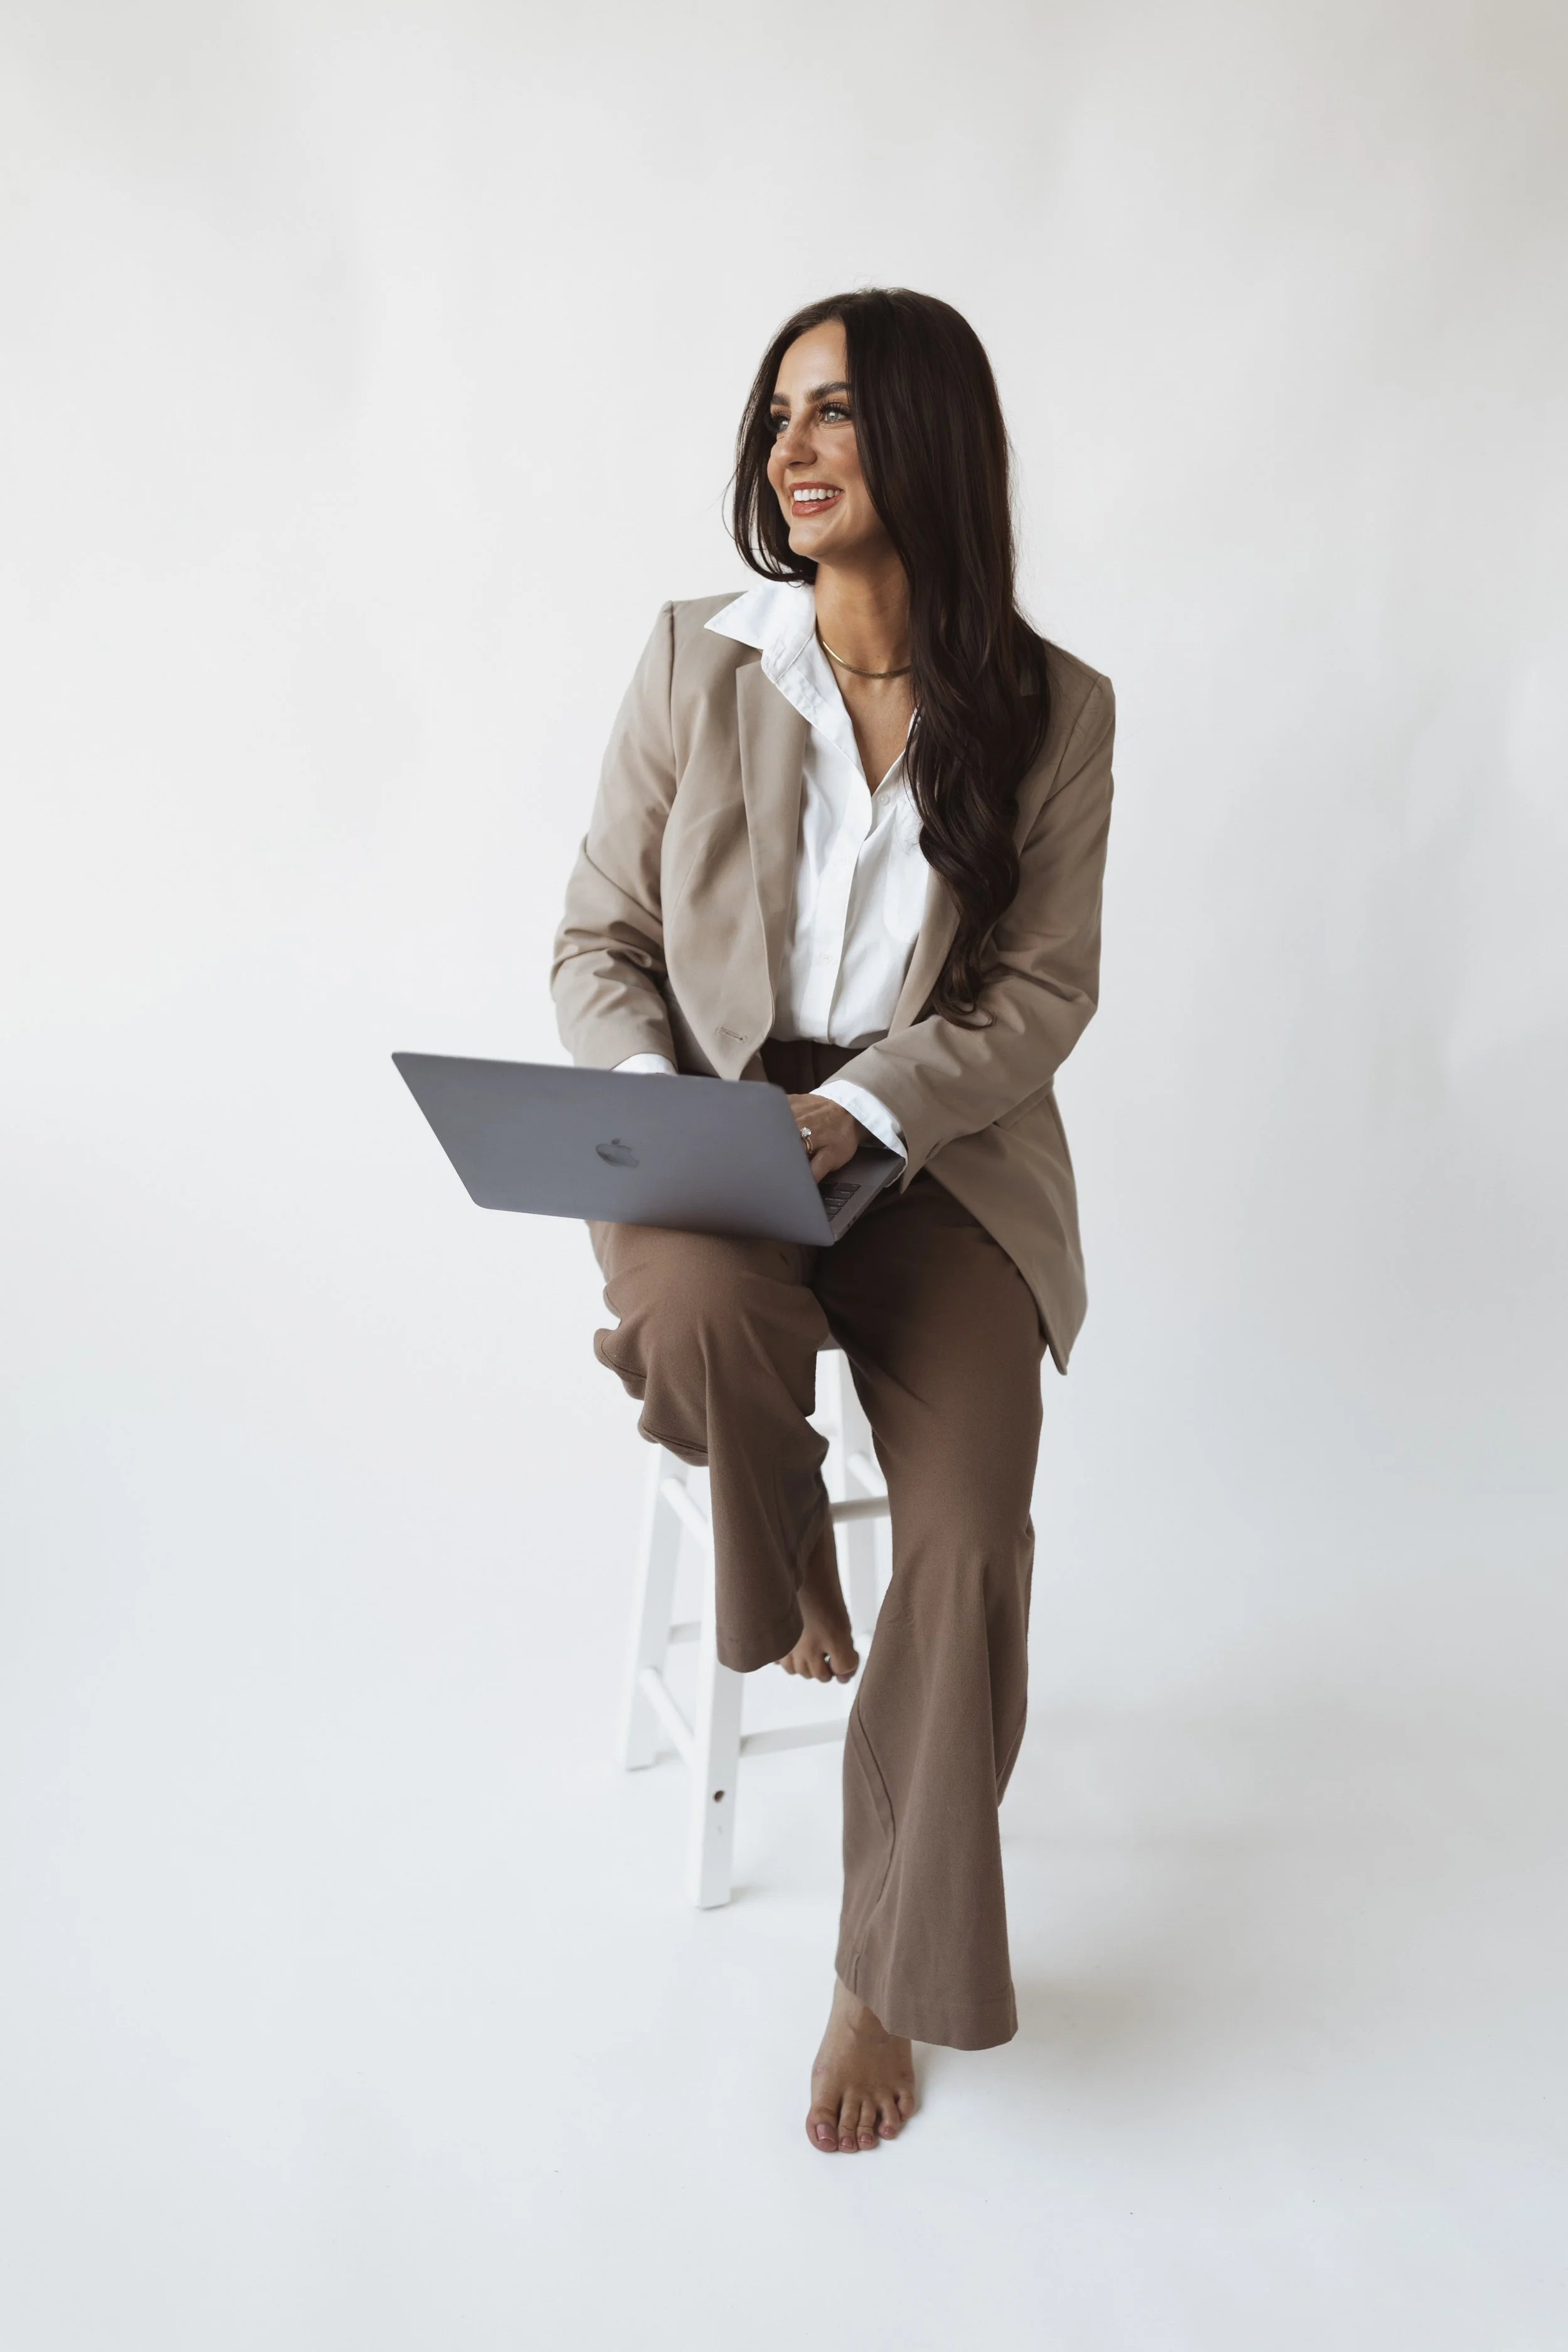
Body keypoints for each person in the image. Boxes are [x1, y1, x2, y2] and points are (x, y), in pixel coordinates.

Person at [552, 287, 1115, 2153]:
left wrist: (860, 1104)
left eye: (840, 416)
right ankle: (778, 1533)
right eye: (778, 413)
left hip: (934, 1154)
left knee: (965, 1536)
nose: (790, 448)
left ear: (932, 444)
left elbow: (1035, 995)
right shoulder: (693, 661)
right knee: (701, 1318)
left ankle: (883, 1962)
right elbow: (597, 943)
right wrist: (675, 1121)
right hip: (714, 1128)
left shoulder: (1050, 709)